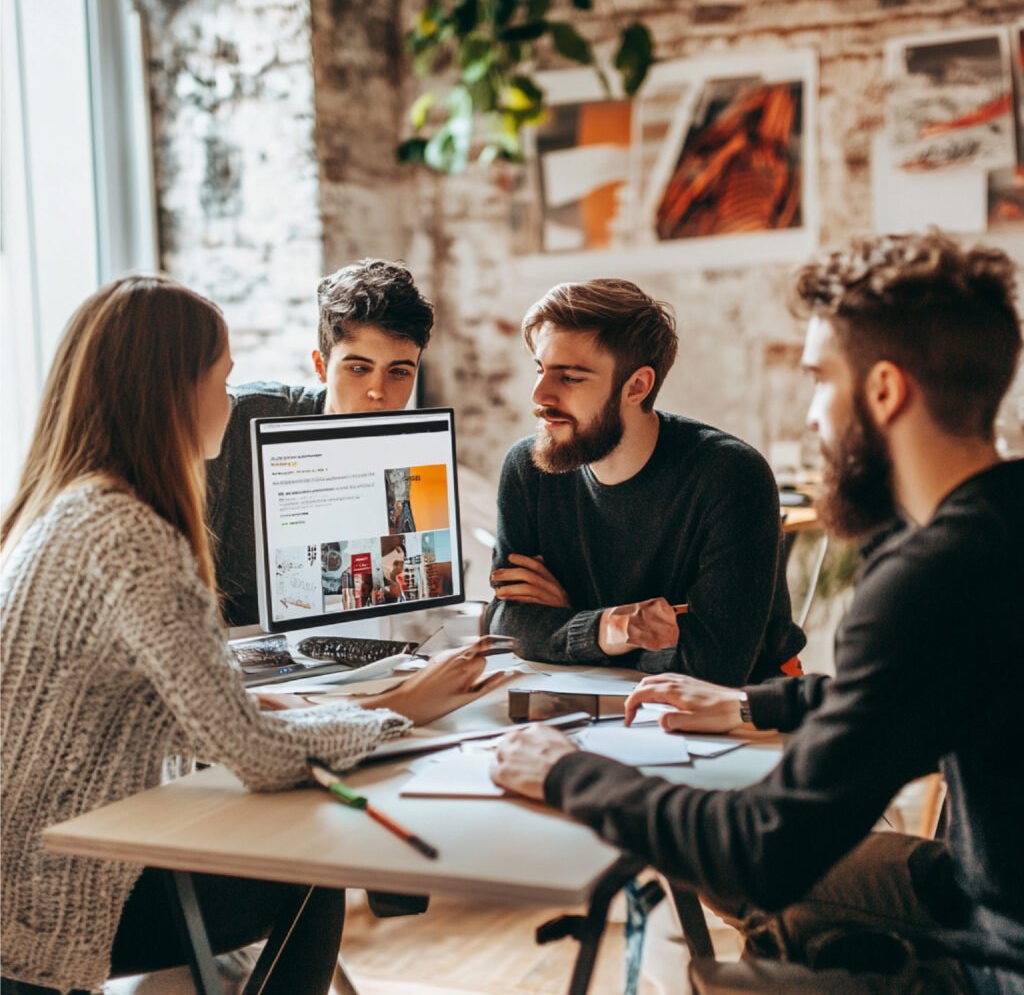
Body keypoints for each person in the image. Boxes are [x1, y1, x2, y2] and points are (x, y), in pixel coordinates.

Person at [491, 232, 1024, 994]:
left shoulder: (928, 577)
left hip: (999, 950)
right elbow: (906, 694)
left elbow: (765, 847)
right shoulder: (998, 528)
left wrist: (569, 772)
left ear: (882, 391)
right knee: (774, 918)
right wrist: (752, 705)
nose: (812, 419)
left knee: (726, 975)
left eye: (818, 382)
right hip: (980, 886)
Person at [0, 276, 509, 995]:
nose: (232, 403)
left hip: (29, 876)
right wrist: (399, 713)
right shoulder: (130, 538)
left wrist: (315, 711)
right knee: (311, 869)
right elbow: (256, 757)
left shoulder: (77, 510)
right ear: (174, 391)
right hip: (45, 902)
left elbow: (170, 714)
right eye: (223, 380)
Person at [487, 278, 805, 685]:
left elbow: (716, 665)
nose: (539, 395)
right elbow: (506, 625)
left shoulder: (729, 476)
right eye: (540, 369)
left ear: (637, 386)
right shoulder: (527, 469)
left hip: (742, 711)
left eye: (569, 378)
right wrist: (607, 627)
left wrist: (568, 618)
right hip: (597, 701)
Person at [207, 258, 433, 626]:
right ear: (320, 365)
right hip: (239, 649)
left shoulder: (414, 454)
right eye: (358, 368)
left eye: (399, 372)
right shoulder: (241, 420)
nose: (378, 391)